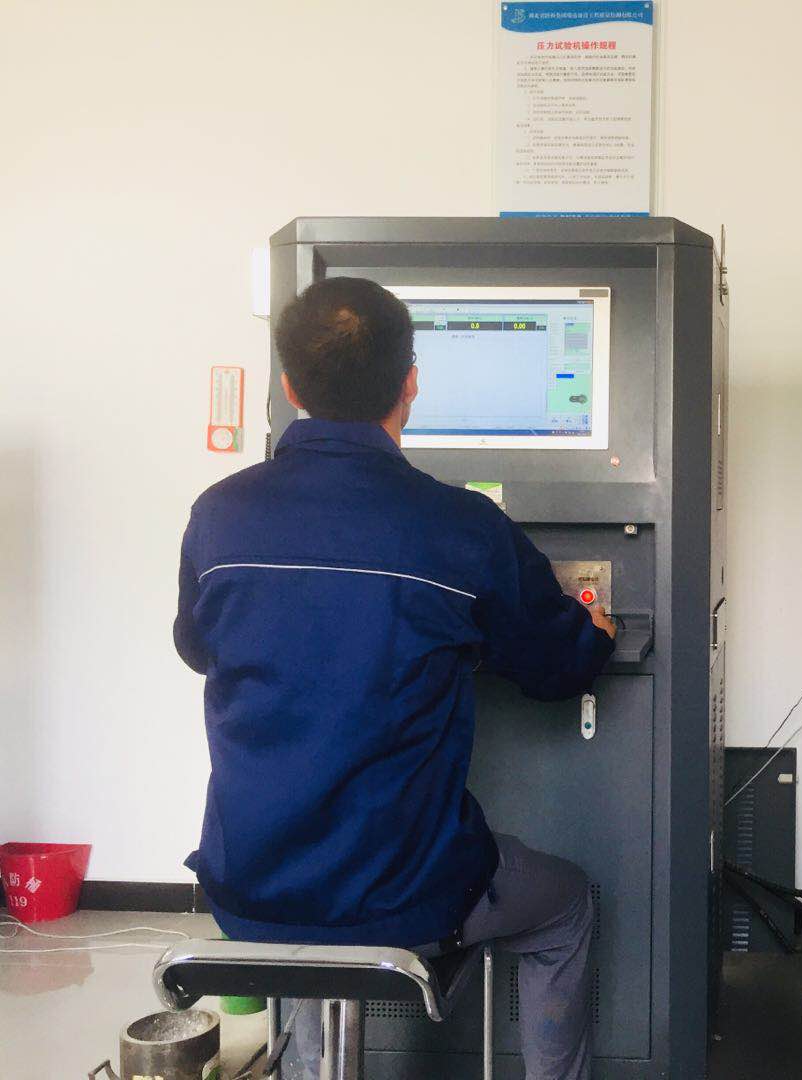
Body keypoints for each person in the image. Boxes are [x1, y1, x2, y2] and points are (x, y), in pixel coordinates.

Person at [173, 276, 615, 1080]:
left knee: (306, 940)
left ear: (290, 386)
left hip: (250, 890)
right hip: (406, 897)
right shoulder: (461, 527)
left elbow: (199, 649)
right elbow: (558, 665)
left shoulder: (218, 516)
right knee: (568, 903)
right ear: (411, 382)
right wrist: (594, 635)